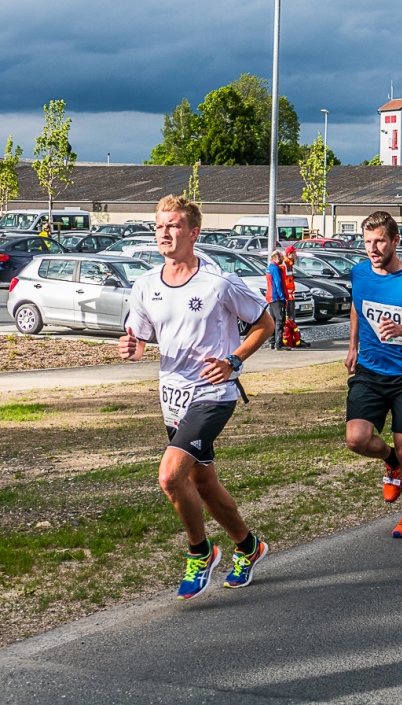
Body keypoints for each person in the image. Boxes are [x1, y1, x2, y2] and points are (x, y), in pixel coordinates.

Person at [118, 194, 274, 600]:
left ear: (193, 232)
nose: (164, 233)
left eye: (173, 225)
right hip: (171, 395)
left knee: (171, 476)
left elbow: (265, 323)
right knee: (201, 482)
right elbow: (142, 337)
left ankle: (200, 552)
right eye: (159, 226)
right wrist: (133, 349)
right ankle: (248, 546)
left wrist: (233, 360)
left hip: (213, 391)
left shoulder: (218, 282)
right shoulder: (145, 285)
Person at [345, 211, 402, 538]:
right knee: (356, 439)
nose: (373, 248)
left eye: (380, 241)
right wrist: (353, 344)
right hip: (370, 371)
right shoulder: (359, 273)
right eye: (368, 241)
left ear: (396, 241)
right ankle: (390, 462)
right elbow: (358, 305)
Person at [265, 251, 289, 350]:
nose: (283, 260)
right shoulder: (276, 269)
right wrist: (283, 297)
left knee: (273, 320)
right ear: (276, 257)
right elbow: (278, 283)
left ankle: (272, 342)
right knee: (280, 320)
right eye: (281, 258)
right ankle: (279, 344)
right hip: (277, 298)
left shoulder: (269, 268)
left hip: (271, 297)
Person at [283, 245, 298, 321]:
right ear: (289, 254)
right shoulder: (285, 264)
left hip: (290, 296)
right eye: (294, 253)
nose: (296, 255)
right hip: (287, 297)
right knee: (289, 317)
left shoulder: (289, 264)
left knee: (291, 317)